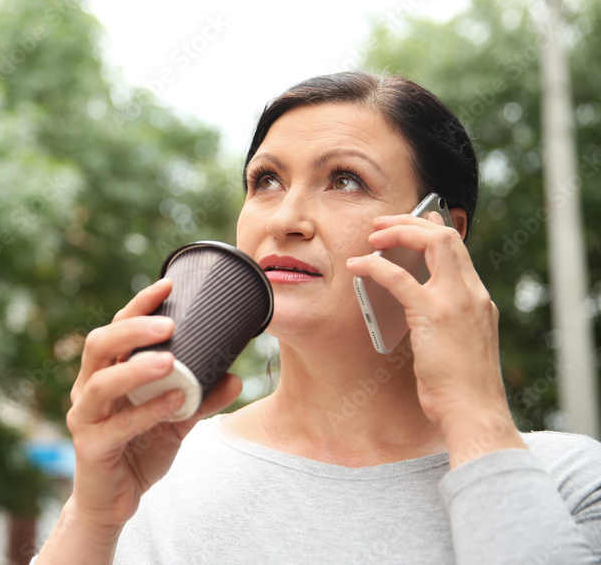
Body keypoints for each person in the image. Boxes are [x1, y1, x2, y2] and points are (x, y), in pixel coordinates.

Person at [33, 71, 601, 563]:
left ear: (441, 234)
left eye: (345, 180)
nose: (285, 219)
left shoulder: (568, 482)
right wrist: (94, 516)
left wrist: (477, 420)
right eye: (266, 180)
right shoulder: (158, 475)